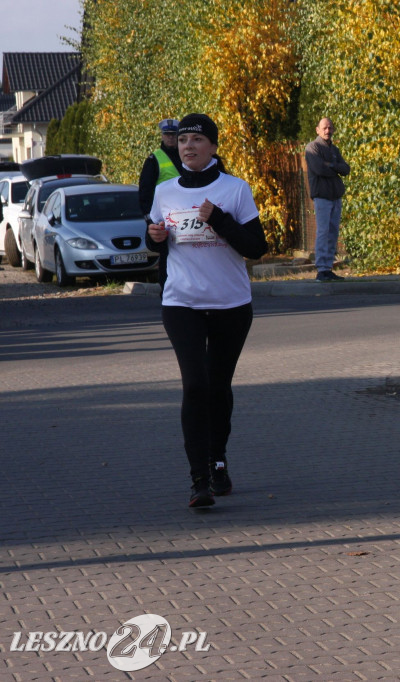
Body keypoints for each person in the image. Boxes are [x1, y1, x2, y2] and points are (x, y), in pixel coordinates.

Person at [145, 113, 268, 508]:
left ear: (213, 146)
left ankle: (218, 461)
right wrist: (156, 237)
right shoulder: (165, 192)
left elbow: (256, 247)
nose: (188, 146)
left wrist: (219, 219)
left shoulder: (235, 190)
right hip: (181, 302)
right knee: (195, 386)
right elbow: (157, 243)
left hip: (231, 304)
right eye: (182, 140)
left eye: (197, 139)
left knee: (218, 387)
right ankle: (199, 479)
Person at [138, 118, 185, 287]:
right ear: (162, 136)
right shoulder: (154, 159)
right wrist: (150, 220)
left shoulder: (186, 155)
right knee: (167, 256)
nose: (170, 138)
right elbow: (145, 192)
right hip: (165, 219)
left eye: (174, 135)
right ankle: (166, 290)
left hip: (186, 216)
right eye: (167, 134)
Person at [304, 117, 350, 282]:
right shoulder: (312, 148)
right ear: (317, 130)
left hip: (335, 197)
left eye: (330, 128)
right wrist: (334, 167)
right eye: (324, 128)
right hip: (322, 197)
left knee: (333, 233)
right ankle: (321, 270)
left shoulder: (334, 150)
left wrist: (331, 165)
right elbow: (319, 169)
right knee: (323, 232)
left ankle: (328, 268)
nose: (327, 131)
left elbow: (346, 169)